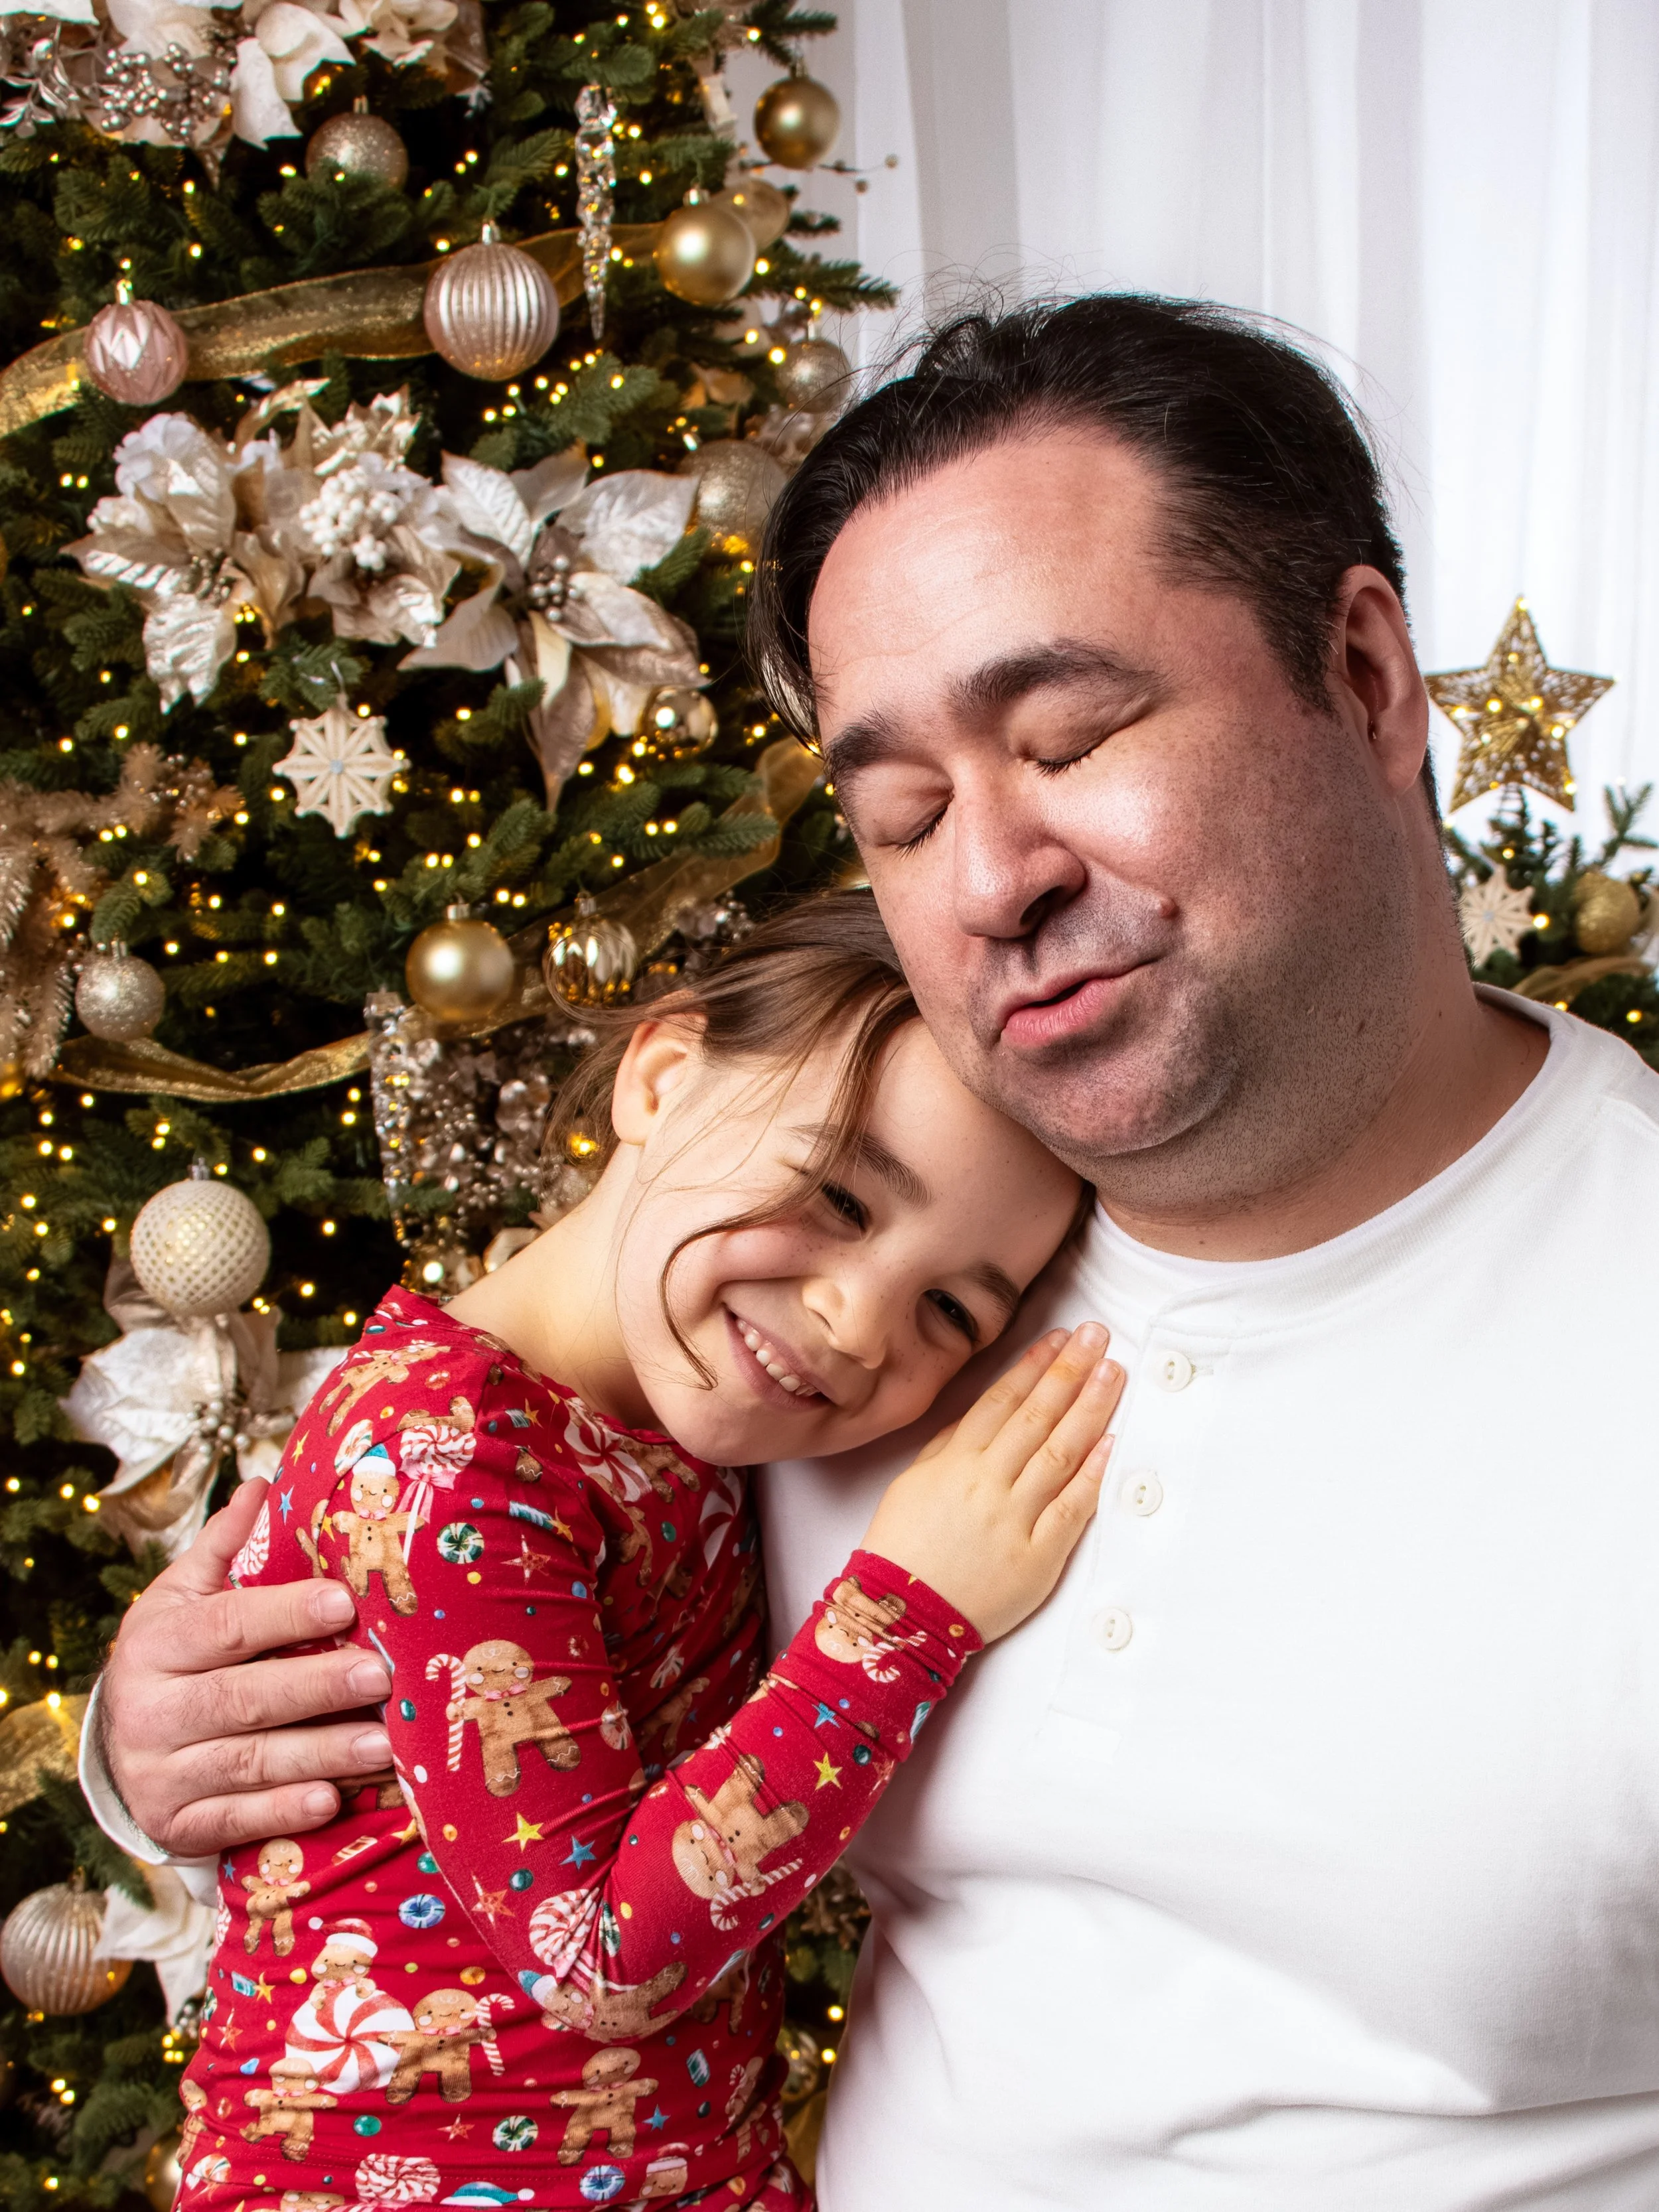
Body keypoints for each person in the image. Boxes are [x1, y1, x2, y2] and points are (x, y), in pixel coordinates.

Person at [90, 295, 1659, 2210]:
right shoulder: (843, 1276)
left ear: (1360, 669)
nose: (994, 873)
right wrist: (165, 1728)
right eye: (902, 811)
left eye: (1069, 734)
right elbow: (487, 1616)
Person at [153, 892, 1124, 2212]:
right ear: (661, 1078)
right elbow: (596, 1956)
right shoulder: (446, 1444)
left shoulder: (691, 1418)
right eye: (837, 1192)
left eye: (948, 1306)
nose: (853, 1319)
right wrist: (909, 1609)